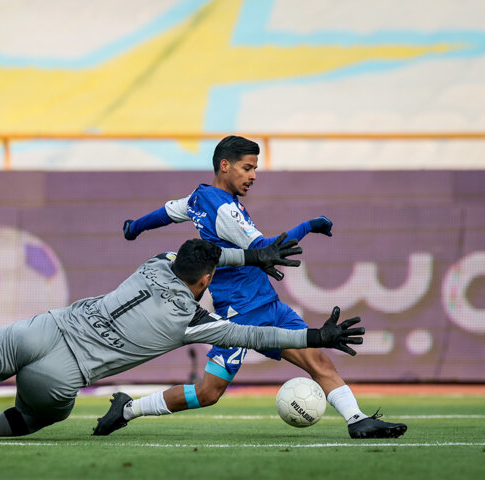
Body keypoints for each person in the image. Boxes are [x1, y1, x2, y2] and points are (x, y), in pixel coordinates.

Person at [0, 237, 363, 442]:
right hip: (62, 372)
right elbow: (255, 331)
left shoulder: (155, 263)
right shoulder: (194, 322)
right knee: (36, 419)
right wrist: (318, 333)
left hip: (41, 329)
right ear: (208, 280)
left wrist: (251, 253)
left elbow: (195, 256)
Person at [101, 135, 406, 439]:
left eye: (255, 168)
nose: (253, 176)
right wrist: (310, 225)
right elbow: (270, 249)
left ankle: (357, 419)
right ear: (225, 165)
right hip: (240, 315)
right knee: (208, 393)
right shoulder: (225, 211)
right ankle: (128, 409)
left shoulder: (199, 198)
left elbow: (165, 213)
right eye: (247, 168)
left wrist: (133, 228)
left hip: (266, 304)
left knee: (317, 359)